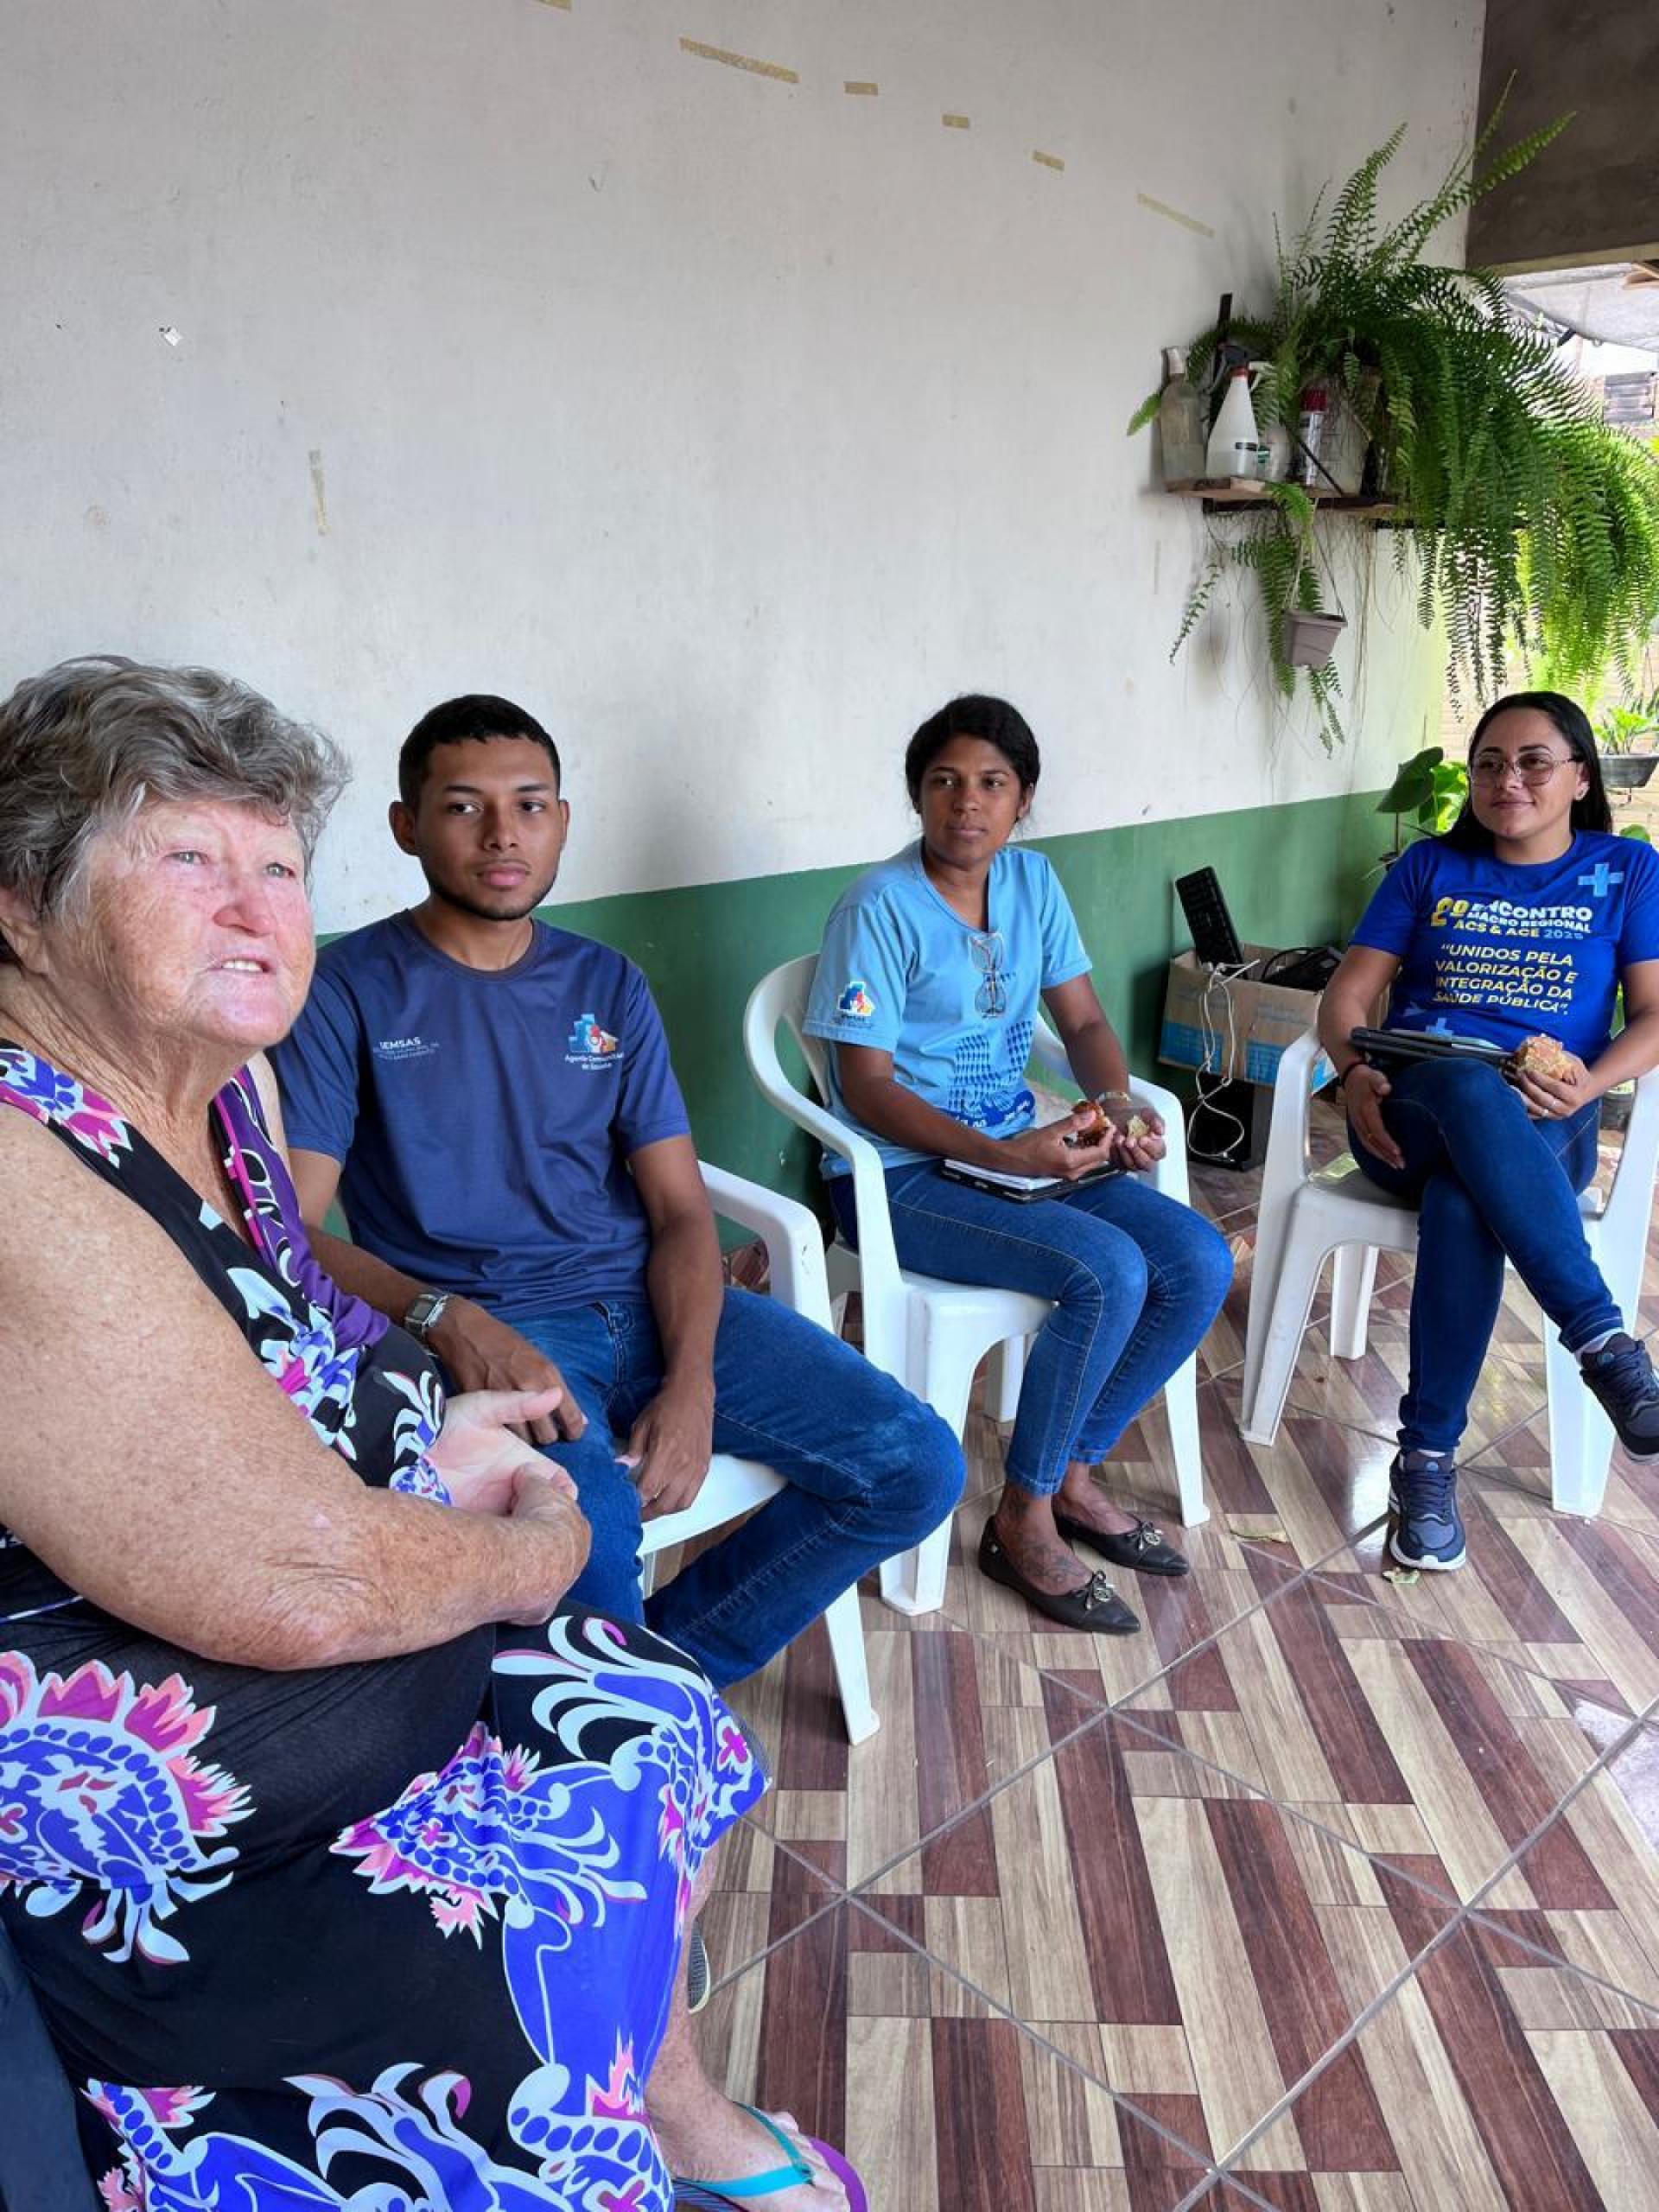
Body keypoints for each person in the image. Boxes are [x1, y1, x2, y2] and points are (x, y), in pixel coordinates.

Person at [0, 657, 864, 2212]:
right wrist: (533, 1538)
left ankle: (676, 2110)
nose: (256, 908)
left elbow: (296, 1342)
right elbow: (298, 1576)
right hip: (210, 1830)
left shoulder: (227, 1100)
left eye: (278, 867)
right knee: (596, 1593)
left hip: (456, 1505)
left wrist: (463, 1429)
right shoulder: (26, 1155)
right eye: (189, 858)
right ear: (21, 908)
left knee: (693, 1669)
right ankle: (581, 2137)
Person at [269, 693, 963, 1692]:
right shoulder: (346, 991)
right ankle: (619, 1691)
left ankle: (659, 1679)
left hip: (649, 1300)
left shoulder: (607, 985)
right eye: (464, 807)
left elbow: (680, 1210)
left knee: (916, 1466)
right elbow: (289, 1229)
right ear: (406, 826)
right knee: (582, 1542)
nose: (503, 834)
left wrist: (693, 1384)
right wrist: (441, 1316)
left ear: (561, 821)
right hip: (499, 1330)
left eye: (530, 805)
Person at [804, 695, 1233, 1634]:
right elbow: (863, 1087)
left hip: (1020, 1156)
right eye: (945, 781)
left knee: (1199, 1260)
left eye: (992, 783)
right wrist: (1004, 1152)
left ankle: (1069, 1474)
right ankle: (1022, 1516)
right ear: (917, 795)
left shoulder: (1033, 882)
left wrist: (1117, 1106)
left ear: (1023, 797)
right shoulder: (878, 907)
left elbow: (1082, 1021)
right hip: (900, 1177)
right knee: (1106, 1271)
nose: (967, 801)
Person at [1319, 690, 1659, 1573]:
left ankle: (1425, 1461)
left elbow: (1655, 1015)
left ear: (1580, 777)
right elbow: (1347, 997)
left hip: (1549, 1120)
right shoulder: (1430, 867)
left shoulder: (1626, 869)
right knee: (1469, 1085)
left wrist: (1589, 1083)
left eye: (1534, 761)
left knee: (1465, 1203)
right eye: (1490, 764)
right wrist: (1352, 1073)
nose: (1510, 779)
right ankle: (1603, 1342)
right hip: (1409, 1111)